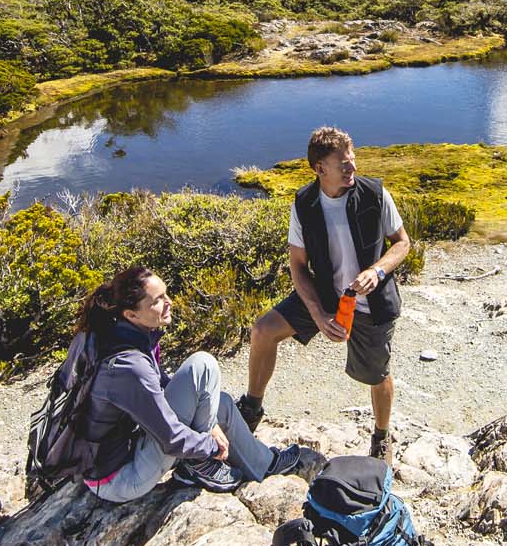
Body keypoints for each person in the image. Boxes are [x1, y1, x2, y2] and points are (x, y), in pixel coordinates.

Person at [71, 265, 323, 503]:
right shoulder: (128, 364)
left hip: (130, 447)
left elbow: (159, 393)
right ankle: (199, 465)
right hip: (120, 478)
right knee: (202, 365)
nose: (168, 302)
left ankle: (263, 462)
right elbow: (169, 437)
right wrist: (209, 445)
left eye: (165, 294)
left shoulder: (125, 334)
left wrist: (209, 423)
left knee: (220, 402)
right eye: (157, 300)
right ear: (131, 314)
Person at [238, 126, 411, 461]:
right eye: (344, 164)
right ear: (320, 169)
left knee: (377, 373)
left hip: (371, 302)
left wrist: (377, 271)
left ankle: (381, 437)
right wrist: (318, 315)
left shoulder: (375, 195)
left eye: (353, 161)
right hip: (326, 292)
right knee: (262, 331)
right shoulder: (304, 204)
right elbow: (298, 266)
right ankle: (251, 407)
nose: (353, 169)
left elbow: (402, 243)